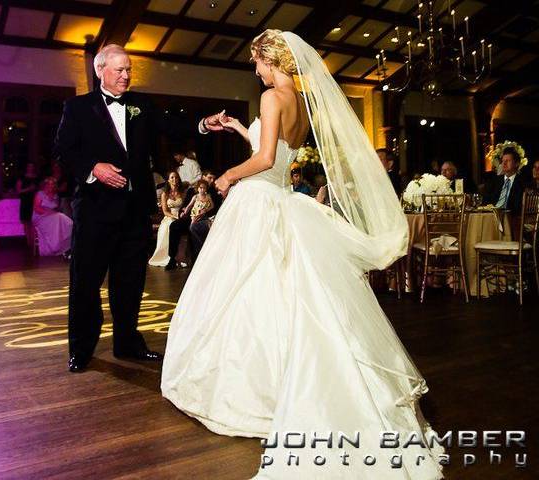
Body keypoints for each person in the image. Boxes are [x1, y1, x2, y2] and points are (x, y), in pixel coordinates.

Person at [161, 29, 444, 479]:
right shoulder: (302, 104)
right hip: (281, 198)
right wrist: (237, 128)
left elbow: (265, 157)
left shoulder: (273, 97)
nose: (255, 70)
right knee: (287, 293)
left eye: (257, 62)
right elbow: (278, 157)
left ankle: (259, 386)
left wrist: (229, 175)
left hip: (257, 201)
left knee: (244, 291)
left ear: (270, 60)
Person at [54, 44, 198, 372]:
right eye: (119, 69)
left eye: (129, 69)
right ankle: (81, 349)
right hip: (94, 211)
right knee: (85, 283)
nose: (126, 75)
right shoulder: (77, 108)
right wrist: (94, 168)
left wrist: (205, 125)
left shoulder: (141, 105)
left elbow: (173, 128)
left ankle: (128, 343)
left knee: (130, 283)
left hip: (134, 212)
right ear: (100, 70)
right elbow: (63, 150)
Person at [165, 169, 218, 270]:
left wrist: (205, 212)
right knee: (174, 226)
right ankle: (172, 258)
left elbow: (214, 208)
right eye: (209, 178)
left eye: (213, 179)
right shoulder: (192, 190)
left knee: (195, 228)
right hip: (190, 217)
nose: (211, 181)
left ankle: (197, 258)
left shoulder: (213, 192)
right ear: (203, 177)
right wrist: (182, 212)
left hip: (204, 218)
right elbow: (186, 205)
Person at [148, 171, 184, 267]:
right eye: (172, 177)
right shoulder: (165, 194)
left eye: (176, 177)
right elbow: (165, 211)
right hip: (170, 216)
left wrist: (181, 215)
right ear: (168, 180)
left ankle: (179, 256)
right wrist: (175, 217)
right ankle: (168, 256)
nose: (174, 179)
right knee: (168, 226)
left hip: (181, 216)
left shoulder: (182, 192)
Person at [32, 177, 73, 257]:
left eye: (52, 184)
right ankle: (56, 247)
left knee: (60, 218)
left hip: (52, 217)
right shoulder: (40, 193)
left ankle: (65, 244)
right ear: (45, 185)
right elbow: (36, 208)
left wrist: (52, 213)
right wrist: (49, 213)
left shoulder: (55, 196)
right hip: (40, 217)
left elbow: (55, 208)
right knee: (59, 217)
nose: (50, 186)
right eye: (49, 184)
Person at [485, 147, 526, 213]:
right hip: (492, 215)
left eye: (508, 161)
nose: (504, 163)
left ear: (516, 164)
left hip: (512, 217)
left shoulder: (522, 183)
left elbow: (519, 207)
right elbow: (486, 201)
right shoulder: (494, 181)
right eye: (503, 161)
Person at [16, 162, 40, 246]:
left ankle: (33, 241)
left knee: (33, 221)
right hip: (25, 202)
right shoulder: (22, 178)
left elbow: (40, 190)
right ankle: (28, 241)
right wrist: (29, 188)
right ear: (26, 167)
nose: (31, 168)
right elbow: (18, 191)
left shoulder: (37, 178)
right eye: (29, 166)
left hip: (35, 202)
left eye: (32, 166)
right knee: (26, 222)